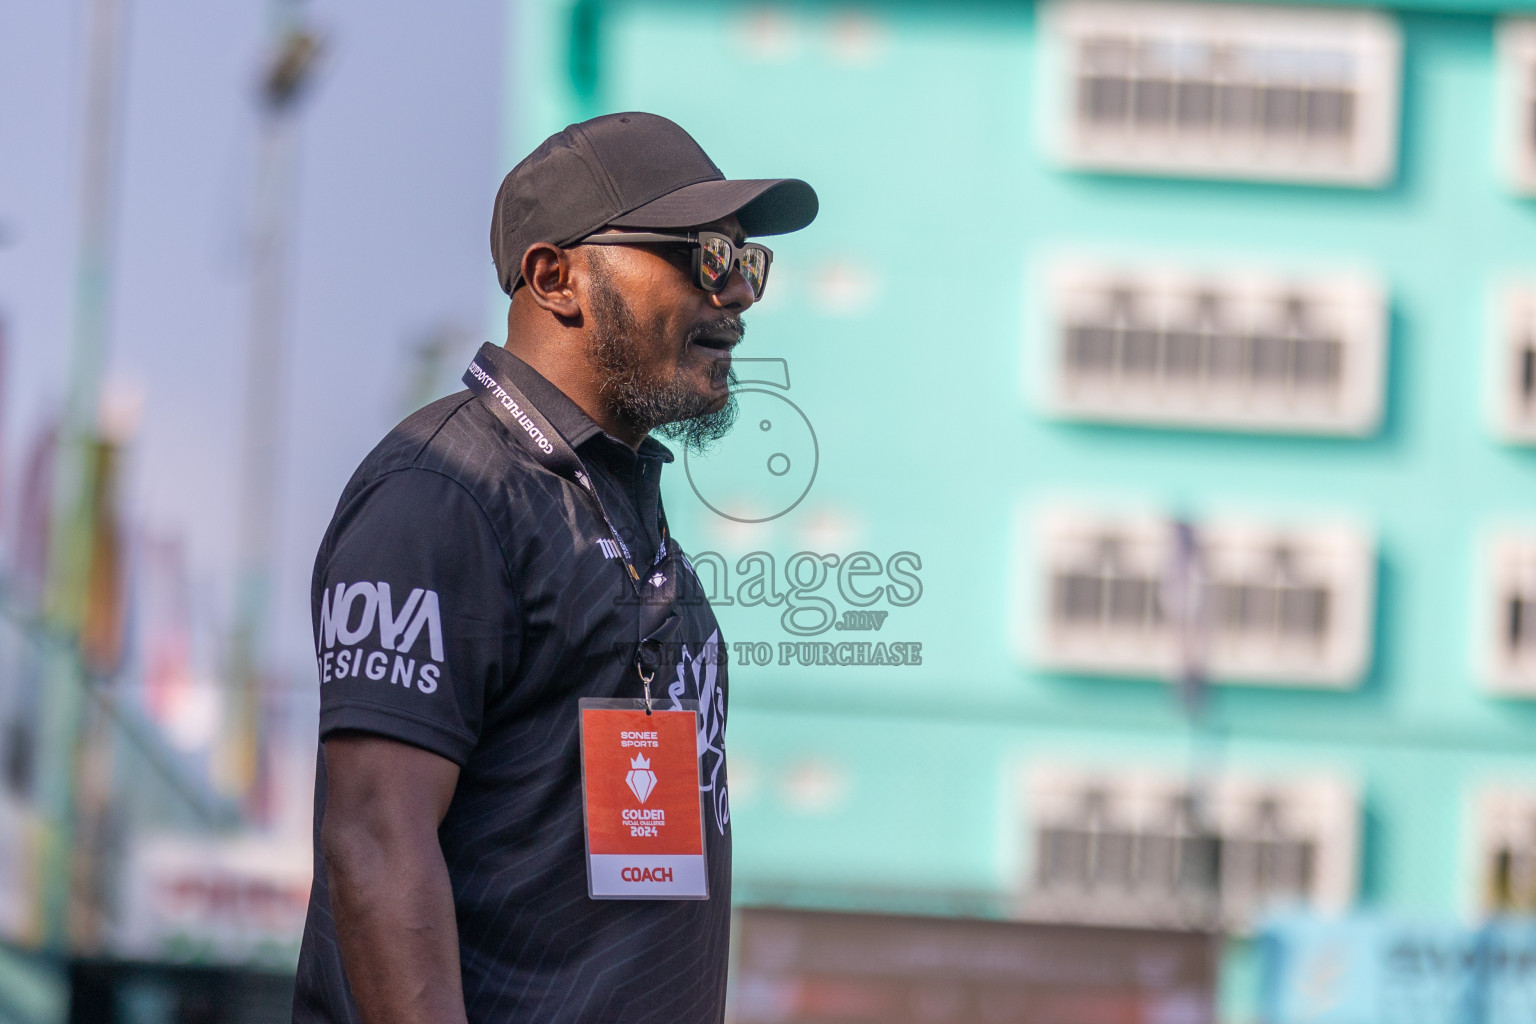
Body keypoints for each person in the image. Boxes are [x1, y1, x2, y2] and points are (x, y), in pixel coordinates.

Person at [291, 112, 818, 1024]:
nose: (734, 296)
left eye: (745, 265)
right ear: (556, 277)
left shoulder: (626, 512)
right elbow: (376, 840)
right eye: (702, 256)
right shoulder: (442, 495)